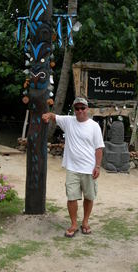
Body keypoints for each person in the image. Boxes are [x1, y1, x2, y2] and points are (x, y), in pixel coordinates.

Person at [42, 97, 104, 238]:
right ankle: (74, 224)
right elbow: (54, 116)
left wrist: (98, 166)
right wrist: (47, 115)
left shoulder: (94, 126)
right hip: (72, 168)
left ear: (87, 109)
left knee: (89, 196)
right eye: (77, 108)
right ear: (74, 110)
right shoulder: (68, 121)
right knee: (71, 198)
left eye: (83, 108)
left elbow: (99, 148)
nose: (80, 111)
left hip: (89, 168)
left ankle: (85, 222)